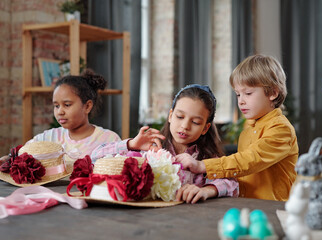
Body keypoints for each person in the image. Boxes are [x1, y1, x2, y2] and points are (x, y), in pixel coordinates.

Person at [175, 55, 299, 201]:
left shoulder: (281, 129)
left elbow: (250, 160)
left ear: (273, 93)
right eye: (238, 94)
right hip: (246, 204)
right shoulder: (249, 127)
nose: (241, 101)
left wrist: (203, 166)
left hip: (272, 208)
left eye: (248, 93)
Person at [91, 84, 239, 204]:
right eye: (180, 116)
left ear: (205, 128)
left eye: (195, 122)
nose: (185, 126)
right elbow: (94, 158)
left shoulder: (205, 159)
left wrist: (206, 190)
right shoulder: (148, 149)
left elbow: (233, 185)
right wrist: (131, 144)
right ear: (170, 115)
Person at [0, 69, 163, 162]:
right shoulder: (50, 137)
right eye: (56, 106)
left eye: (67, 105)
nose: (60, 111)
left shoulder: (108, 139)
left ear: (87, 106)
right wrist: (9, 158)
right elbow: (26, 151)